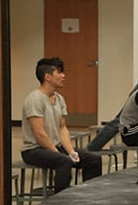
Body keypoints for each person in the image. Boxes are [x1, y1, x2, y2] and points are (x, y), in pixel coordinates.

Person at [21, 57, 102, 194]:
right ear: (48, 77)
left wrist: (71, 152)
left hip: (55, 146)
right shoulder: (34, 99)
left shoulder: (59, 98)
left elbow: (62, 128)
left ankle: (91, 195)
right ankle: (60, 201)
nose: (63, 76)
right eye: (59, 72)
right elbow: (39, 133)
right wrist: (58, 153)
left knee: (93, 160)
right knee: (64, 162)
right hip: (34, 150)